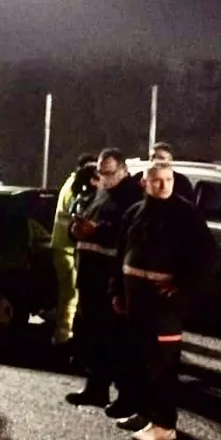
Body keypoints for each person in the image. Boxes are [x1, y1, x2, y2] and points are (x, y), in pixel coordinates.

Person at [113, 161, 215, 440]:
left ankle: (164, 424)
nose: (163, 185)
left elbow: (206, 254)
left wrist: (181, 284)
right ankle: (145, 413)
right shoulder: (134, 213)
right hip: (135, 299)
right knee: (140, 360)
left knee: (163, 365)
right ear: (144, 183)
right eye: (157, 180)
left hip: (164, 305)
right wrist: (117, 292)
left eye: (168, 179)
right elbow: (121, 254)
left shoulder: (186, 214)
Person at [65, 148, 145, 416]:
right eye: (100, 172)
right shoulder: (102, 192)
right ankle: (96, 388)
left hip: (110, 279)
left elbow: (128, 235)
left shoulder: (132, 196)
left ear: (123, 170)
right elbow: (87, 221)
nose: (104, 178)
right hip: (90, 277)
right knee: (93, 337)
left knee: (116, 341)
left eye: (109, 173)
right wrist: (74, 230)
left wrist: (97, 231)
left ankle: (127, 397)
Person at [51, 153, 98, 348]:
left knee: (71, 292)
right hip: (65, 246)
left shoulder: (73, 184)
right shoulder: (76, 189)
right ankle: (63, 335)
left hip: (67, 245)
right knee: (70, 292)